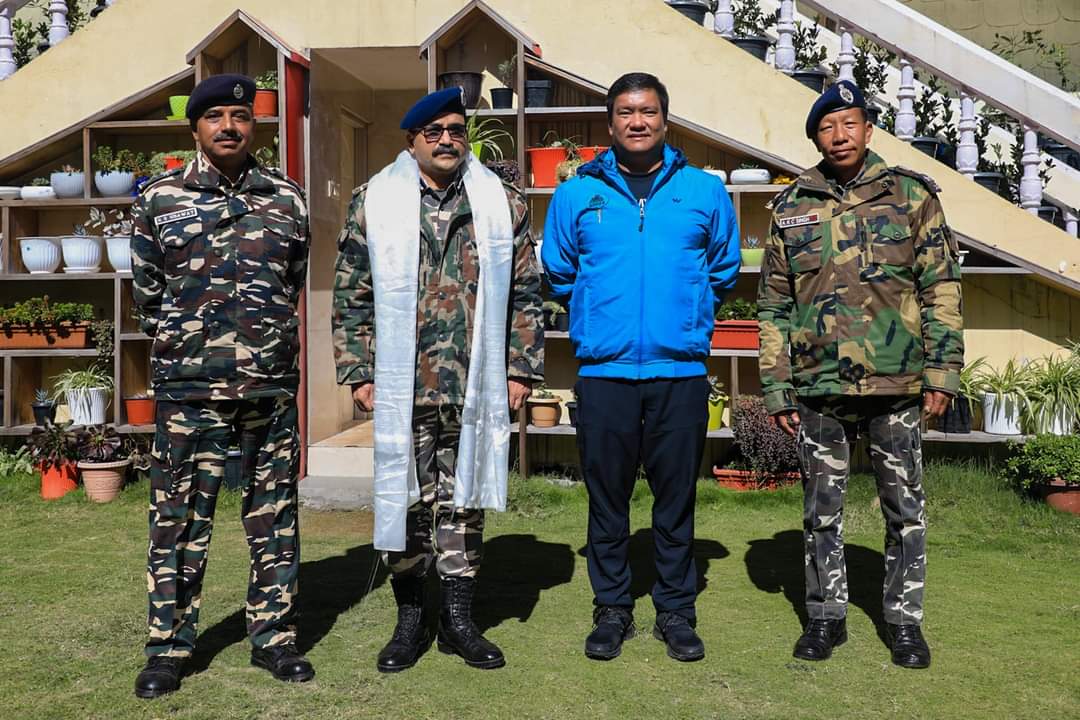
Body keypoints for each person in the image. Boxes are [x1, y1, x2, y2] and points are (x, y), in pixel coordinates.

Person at [332, 87, 544, 673]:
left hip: (475, 383)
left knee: (464, 501)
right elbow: (352, 293)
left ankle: (457, 620)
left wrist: (519, 369)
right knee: (404, 502)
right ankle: (410, 619)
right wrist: (357, 370)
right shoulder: (374, 202)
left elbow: (526, 291)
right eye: (435, 131)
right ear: (412, 141)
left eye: (456, 129)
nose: (447, 139)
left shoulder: (501, 202)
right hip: (404, 384)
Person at [758, 80, 964, 669]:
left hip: (896, 384)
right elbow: (772, 303)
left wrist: (943, 372)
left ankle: (903, 621)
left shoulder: (911, 195)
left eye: (850, 123)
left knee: (904, 507)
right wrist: (776, 382)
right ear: (816, 136)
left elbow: (941, 287)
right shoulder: (793, 204)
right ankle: (824, 617)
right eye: (828, 126)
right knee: (821, 509)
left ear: (869, 130)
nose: (840, 134)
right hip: (817, 385)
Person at [542, 72, 740, 663]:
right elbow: (560, 271)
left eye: (648, 111)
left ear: (665, 119)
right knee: (608, 501)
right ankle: (613, 610)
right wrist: (602, 315)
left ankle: (675, 612)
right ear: (610, 124)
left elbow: (723, 270)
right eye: (626, 112)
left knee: (675, 502)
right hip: (604, 375)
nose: (637, 122)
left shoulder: (703, 191)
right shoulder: (577, 193)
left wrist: (685, 315)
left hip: (678, 374)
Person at [130, 74, 313, 698]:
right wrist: (189, 349)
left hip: (267, 389)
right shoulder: (159, 199)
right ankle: (168, 647)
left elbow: (291, 282)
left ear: (254, 124)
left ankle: (276, 639)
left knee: (274, 517)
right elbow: (147, 297)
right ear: (196, 128)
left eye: (240, 114)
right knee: (178, 520)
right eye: (216, 117)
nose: (229, 126)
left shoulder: (287, 199)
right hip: (189, 390)